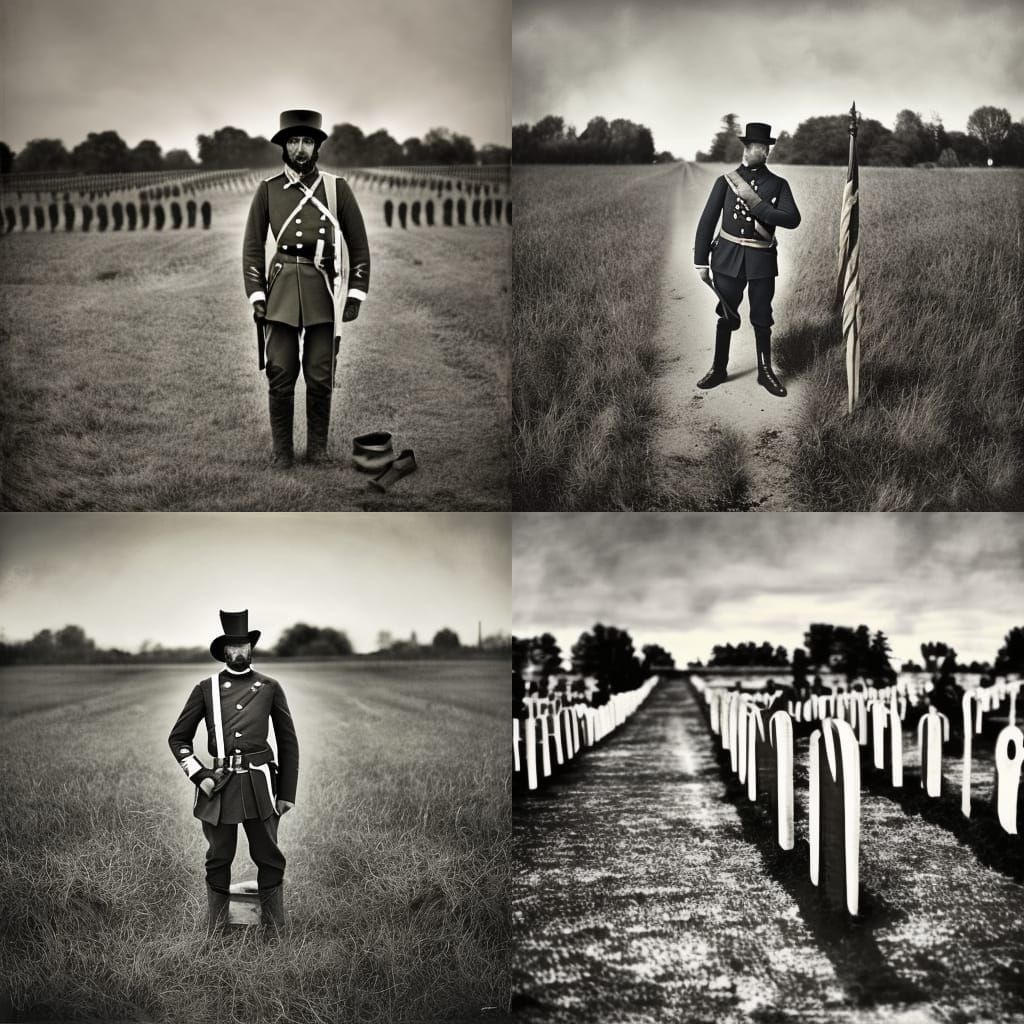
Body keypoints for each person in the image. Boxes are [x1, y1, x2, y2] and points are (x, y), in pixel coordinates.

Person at [243, 109, 371, 467]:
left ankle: (317, 451)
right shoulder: (267, 190)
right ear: (284, 147)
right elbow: (253, 247)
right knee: (280, 372)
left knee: (319, 374)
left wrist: (356, 293)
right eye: (294, 141)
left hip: (323, 292)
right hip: (281, 290)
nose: (300, 149)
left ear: (317, 147)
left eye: (307, 141)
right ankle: (281, 453)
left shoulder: (336, 189)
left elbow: (358, 245)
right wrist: (257, 294)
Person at [168, 610, 299, 934]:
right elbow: (178, 738)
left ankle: (273, 928)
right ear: (224, 651)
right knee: (219, 856)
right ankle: (217, 928)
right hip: (220, 784)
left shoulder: (269, 686)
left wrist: (286, 793)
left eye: (244, 646)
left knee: (268, 856)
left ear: (251, 649)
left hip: (259, 782)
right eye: (233, 647)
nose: (239, 652)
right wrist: (201, 775)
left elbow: (287, 740)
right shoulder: (206, 688)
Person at [693, 122, 801, 397]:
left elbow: (792, 219)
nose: (761, 151)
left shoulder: (778, 184)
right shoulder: (726, 181)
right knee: (727, 313)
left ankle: (765, 372)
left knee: (762, 316)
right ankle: (719, 368)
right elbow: (707, 221)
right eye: (756, 146)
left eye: (765, 147)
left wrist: (762, 208)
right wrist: (701, 261)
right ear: (746, 148)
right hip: (727, 258)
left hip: (761, 260)